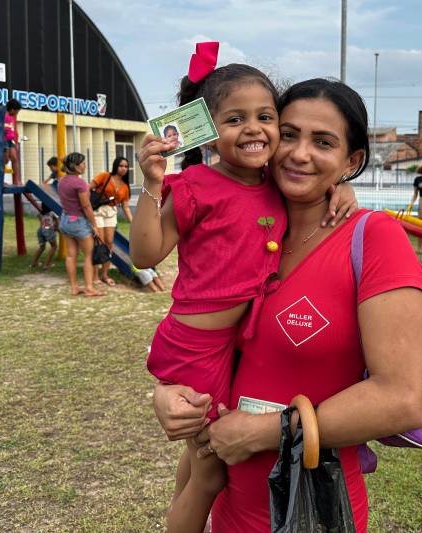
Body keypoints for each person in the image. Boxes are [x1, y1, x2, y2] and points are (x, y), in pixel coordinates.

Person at [152, 79, 422, 533]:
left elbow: (400, 400)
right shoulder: (247, 230)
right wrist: (170, 393)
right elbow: (203, 334)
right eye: (291, 133)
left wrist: (263, 433)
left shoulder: (375, 239)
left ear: (352, 161)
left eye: (323, 143)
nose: (299, 154)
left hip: (310, 510)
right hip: (227, 506)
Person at [132, 43, 358, 533]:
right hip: (195, 347)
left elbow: (316, 179)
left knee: (196, 462)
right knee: (210, 472)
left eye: (265, 116)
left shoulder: (274, 184)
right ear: (210, 132)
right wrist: (151, 184)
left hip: (232, 347)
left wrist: (342, 185)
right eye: (235, 119)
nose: (254, 129)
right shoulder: (194, 184)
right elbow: (146, 255)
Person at [57, 152, 103, 297]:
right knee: (88, 256)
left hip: (65, 219)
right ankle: (89, 288)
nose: (84, 165)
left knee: (71, 256)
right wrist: (94, 225)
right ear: (76, 167)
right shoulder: (80, 183)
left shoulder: (61, 181)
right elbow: (86, 206)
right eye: (82, 163)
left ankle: (74, 287)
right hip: (79, 222)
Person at [89, 157, 134, 286]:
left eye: (126, 166)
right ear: (115, 166)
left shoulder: (125, 187)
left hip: (111, 213)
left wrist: (133, 222)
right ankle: (94, 275)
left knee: (109, 243)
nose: (123, 168)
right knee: (99, 242)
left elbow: (125, 207)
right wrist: (85, 207)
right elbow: (87, 188)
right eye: (121, 166)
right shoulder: (104, 176)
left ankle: (105, 274)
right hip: (97, 211)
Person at [30, 203, 58, 270]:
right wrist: (55, 228)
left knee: (42, 247)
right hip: (48, 229)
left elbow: (42, 223)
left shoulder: (40, 214)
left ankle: (34, 263)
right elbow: (56, 222)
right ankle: (47, 265)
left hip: (40, 230)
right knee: (54, 247)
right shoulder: (52, 213)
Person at [4, 99, 22, 184]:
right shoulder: (3, 115)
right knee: (5, 160)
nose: (17, 114)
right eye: (17, 112)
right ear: (12, 109)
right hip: (4, 140)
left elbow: (14, 129)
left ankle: (17, 180)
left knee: (15, 158)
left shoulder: (12, 117)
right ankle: (1, 180)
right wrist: (0, 129)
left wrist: (16, 142)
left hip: (11, 140)